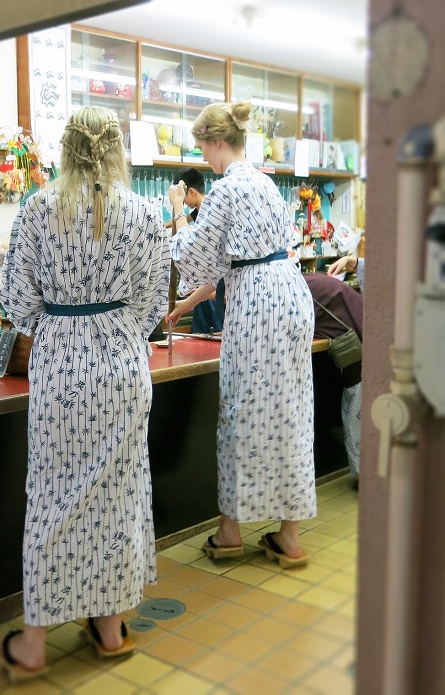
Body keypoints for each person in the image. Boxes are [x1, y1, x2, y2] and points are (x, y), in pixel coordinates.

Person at [0, 106, 170, 681]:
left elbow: (17, 303)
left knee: (53, 498)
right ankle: (112, 627)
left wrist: (59, 323)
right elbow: (152, 303)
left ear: (65, 148)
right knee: (118, 498)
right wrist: (116, 328)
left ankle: (35, 644)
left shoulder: (39, 209)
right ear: (117, 149)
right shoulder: (143, 213)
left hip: (60, 369)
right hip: (121, 366)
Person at [167, 101, 316, 569]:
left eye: (202, 148)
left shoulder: (226, 189)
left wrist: (175, 213)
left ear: (214, 141)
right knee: (290, 409)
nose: (204, 159)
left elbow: (193, 254)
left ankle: (230, 530)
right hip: (290, 295)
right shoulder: (265, 183)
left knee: (241, 408)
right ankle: (289, 536)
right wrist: (190, 304)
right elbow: (232, 261)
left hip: (258, 305)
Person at [303, 272, 363, 487]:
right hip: (371, 351)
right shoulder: (320, 284)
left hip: (359, 365)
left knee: (357, 414)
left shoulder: (296, 288)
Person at [172, 168, 225, 333]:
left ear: (192, 192)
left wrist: (177, 205)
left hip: (219, 292)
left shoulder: (210, 214)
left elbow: (187, 252)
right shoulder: (203, 213)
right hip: (210, 289)